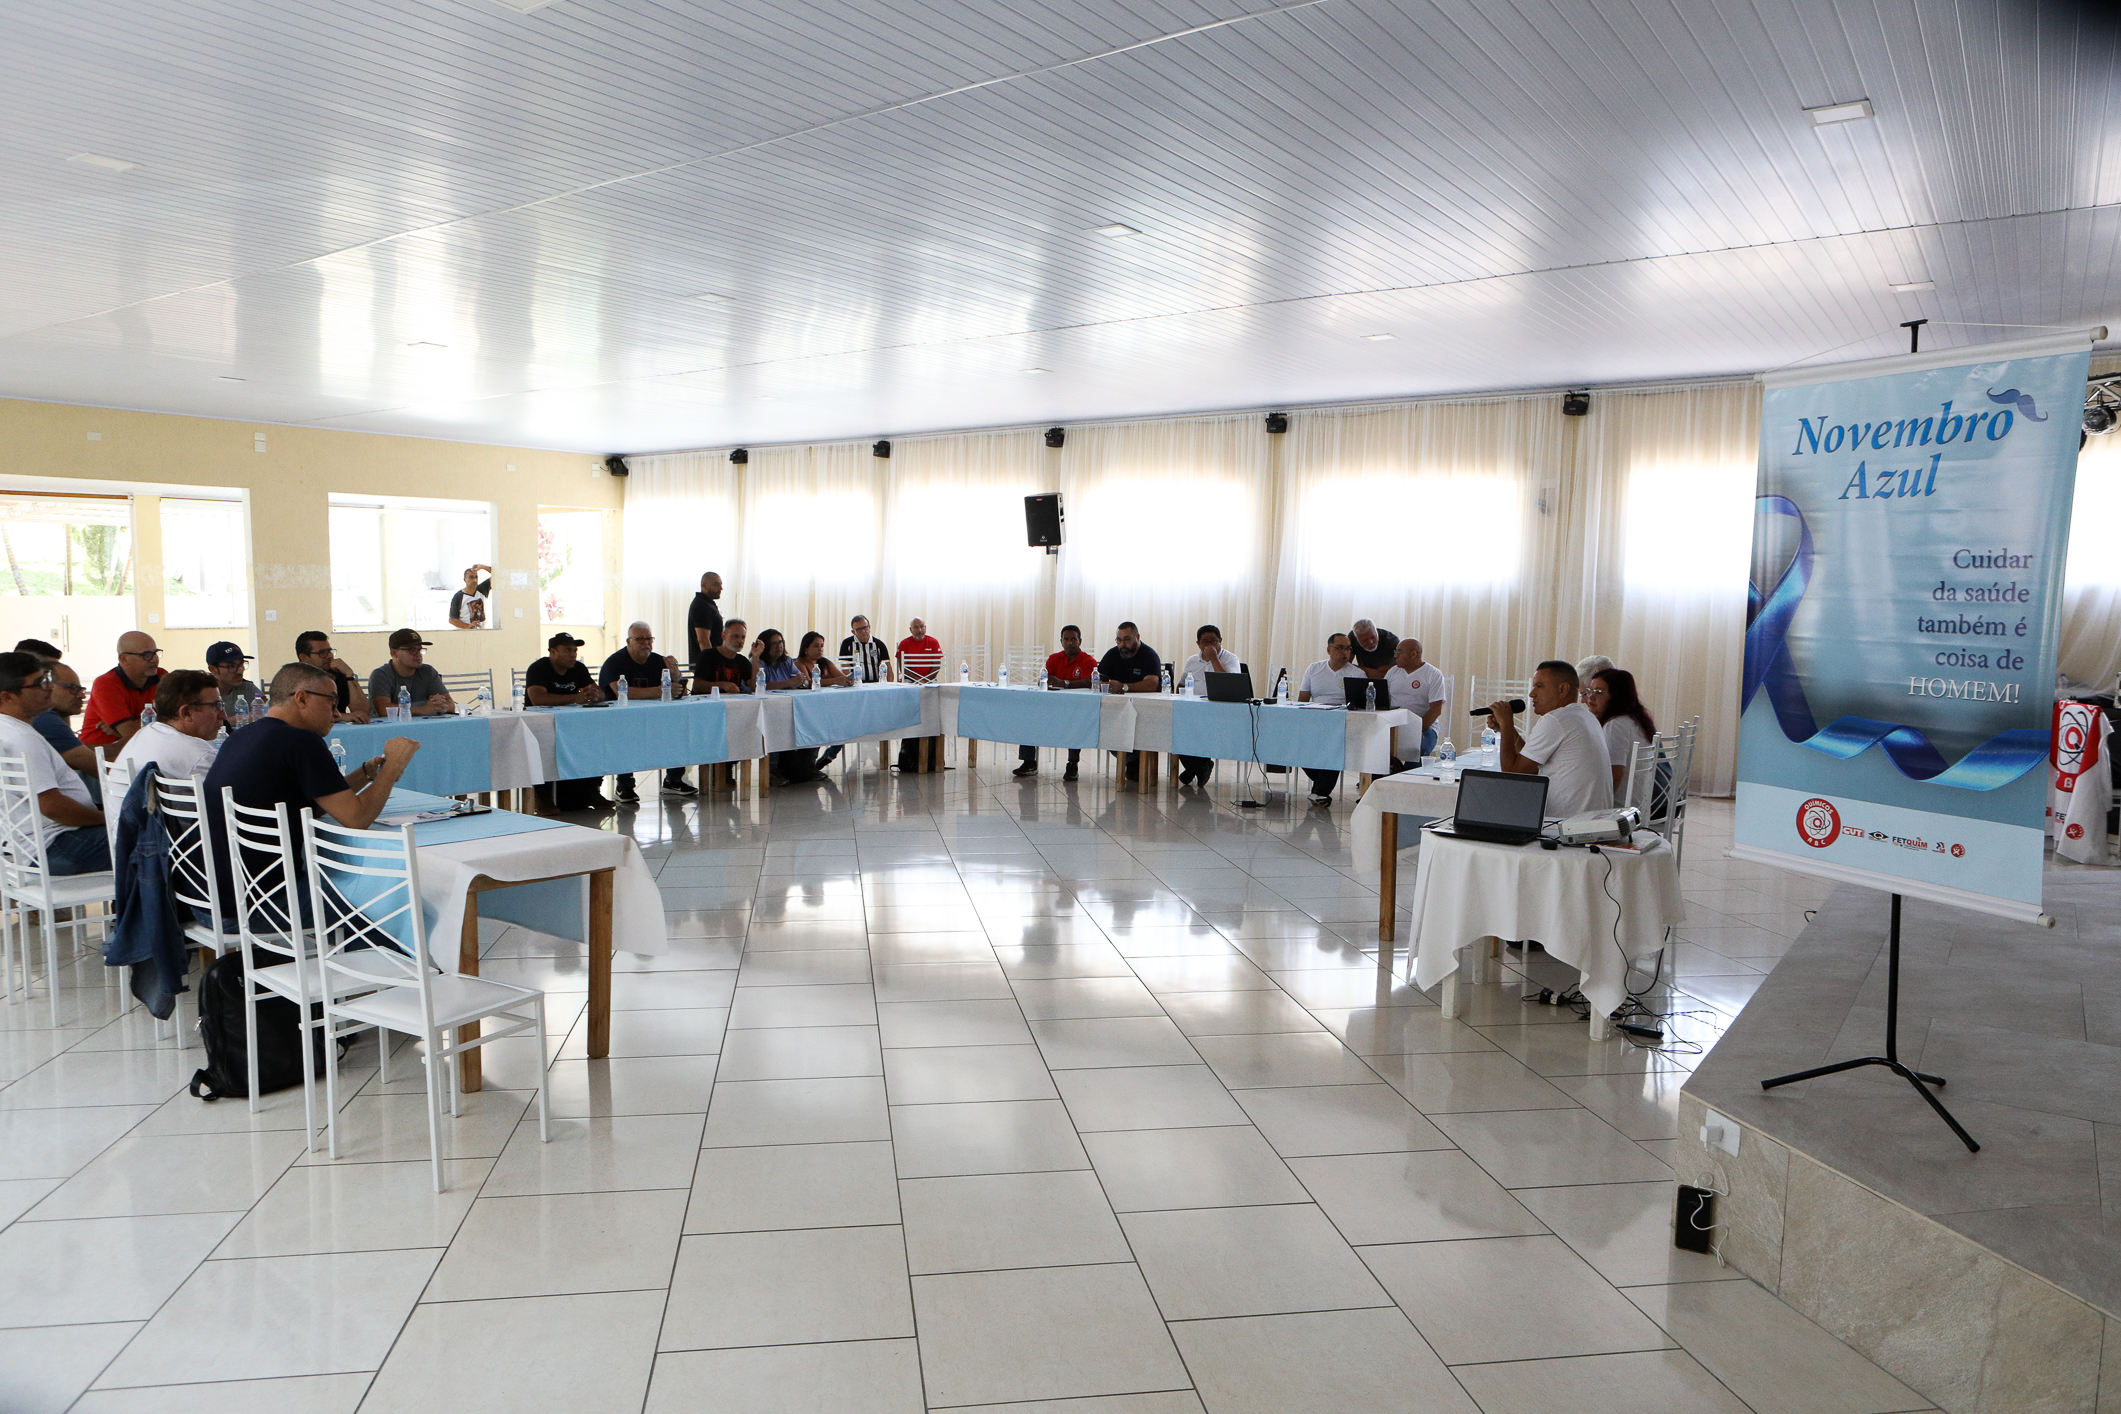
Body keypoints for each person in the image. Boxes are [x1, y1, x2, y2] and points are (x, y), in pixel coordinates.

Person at [203, 663, 420, 925]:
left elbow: (317, 804)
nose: (337, 713)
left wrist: (366, 773)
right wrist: (394, 765)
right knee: (391, 912)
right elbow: (357, 819)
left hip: (212, 898)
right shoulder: (300, 741)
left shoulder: (244, 735)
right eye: (331, 701)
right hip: (263, 903)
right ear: (301, 698)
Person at [0, 653, 108, 874]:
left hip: (24, 848)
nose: (49, 687)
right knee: (156, 836)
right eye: (39, 683)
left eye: (47, 678)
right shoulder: (23, 738)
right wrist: (107, 818)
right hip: (56, 845)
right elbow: (54, 808)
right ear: (7, 697)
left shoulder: (7, 730)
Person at [1488, 659, 1613, 818]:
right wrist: (1508, 730)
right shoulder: (1584, 716)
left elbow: (1513, 774)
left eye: (1539, 686)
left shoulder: (1555, 720)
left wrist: (1506, 723)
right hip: (1593, 822)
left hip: (1564, 826)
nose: (1532, 693)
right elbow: (1531, 767)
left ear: (1563, 689)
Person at [597, 622, 694, 803]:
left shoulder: (658, 661)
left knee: (680, 725)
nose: (646, 643)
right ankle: (624, 785)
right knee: (625, 735)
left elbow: (681, 693)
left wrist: (675, 676)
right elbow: (621, 692)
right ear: (628, 641)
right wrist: (659, 690)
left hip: (656, 717)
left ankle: (673, 780)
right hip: (620, 718)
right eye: (640, 639)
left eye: (649, 639)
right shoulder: (615, 662)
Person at [524, 634, 611, 810]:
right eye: (568, 650)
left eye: (575, 651)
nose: (573, 655)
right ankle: (543, 797)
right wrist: (576, 697)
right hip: (540, 725)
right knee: (545, 748)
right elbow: (538, 699)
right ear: (553, 651)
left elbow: (599, 692)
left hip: (573, 724)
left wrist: (596, 696)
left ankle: (592, 790)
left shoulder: (578, 668)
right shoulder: (538, 668)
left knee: (597, 740)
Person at [1013, 624, 1096, 781]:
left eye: (1073, 639)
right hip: (1051, 707)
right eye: (1066, 639)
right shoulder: (1053, 659)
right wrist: (1044, 682)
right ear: (1061, 641)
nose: (1070, 642)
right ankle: (1029, 762)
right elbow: (1044, 680)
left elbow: (1090, 682)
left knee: (1076, 721)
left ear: (1080, 641)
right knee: (1028, 715)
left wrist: (1065, 683)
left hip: (1075, 709)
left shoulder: (1088, 661)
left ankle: (1072, 764)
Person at [114, 669, 224, 781]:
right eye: (216, 706)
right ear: (186, 713)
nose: (223, 715)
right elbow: (233, 792)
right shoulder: (198, 755)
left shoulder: (146, 732)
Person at [779, 632, 854, 775]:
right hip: (810, 709)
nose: (820, 649)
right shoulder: (798, 663)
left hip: (831, 705)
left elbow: (841, 677)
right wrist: (835, 681)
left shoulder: (825, 662)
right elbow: (807, 683)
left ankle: (829, 755)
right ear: (806, 648)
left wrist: (851, 678)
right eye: (816, 646)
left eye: (822, 646)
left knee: (848, 723)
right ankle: (809, 765)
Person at [1297, 633, 1359, 803]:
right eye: (1340, 648)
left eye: (1348, 648)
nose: (1345, 652)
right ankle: (1320, 787)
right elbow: (1303, 698)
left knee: (1334, 747)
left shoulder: (1357, 673)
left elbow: (1360, 705)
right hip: (1315, 719)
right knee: (1296, 745)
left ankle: (1321, 791)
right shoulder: (1314, 669)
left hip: (1342, 722)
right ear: (1329, 650)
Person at [1175, 624, 1240, 785]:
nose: (1209, 645)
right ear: (1198, 644)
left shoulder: (1230, 659)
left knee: (1199, 729)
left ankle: (1194, 768)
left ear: (1221, 641)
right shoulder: (1192, 661)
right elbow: (1181, 685)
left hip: (1220, 710)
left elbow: (1231, 684)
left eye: (1214, 641)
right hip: (1193, 708)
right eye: (1205, 642)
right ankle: (1199, 766)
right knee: (1177, 729)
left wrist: (1214, 659)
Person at [81, 631, 163, 757]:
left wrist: (127, 727)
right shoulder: (105, 684)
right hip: (102, 759)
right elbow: (129, 732)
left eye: (155, 653)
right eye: (146, 655)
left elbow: (180, 722)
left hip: (142, 753)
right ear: (124, 659)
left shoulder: (162, 677)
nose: (155, 659)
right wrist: (160, 719)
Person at [1099, 622, 1163, 783]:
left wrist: (1124, 687)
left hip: (1146, 710)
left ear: (1137, 637)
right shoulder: (1112, 655)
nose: (1122, 645)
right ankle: (1132, 761)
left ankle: (1134, 760)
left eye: (1126, 640)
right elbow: (1098, 680)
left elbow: (1152, 684)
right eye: (1119, 640)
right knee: (1105, 727)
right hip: (1116, 709)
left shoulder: (1149, 655)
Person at [1587, 667, 1657, 796]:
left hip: (1621, 808)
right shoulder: (1635, 720)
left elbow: (1615, 775)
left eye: (1598, 692)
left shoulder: (1616, 725)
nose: (1590, 697)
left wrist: (1598, 806)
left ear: (1616, 696)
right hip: (1639, 804)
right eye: (1590, 691)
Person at [1383, 638, 1447, 765]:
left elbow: (1435, 710)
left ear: (1414, 654)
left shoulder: (1433, 674)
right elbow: (1383, 701)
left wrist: (1415, 729)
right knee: (1374, 748)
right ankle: (1376, 780)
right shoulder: (1392, 672)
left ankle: (1407, 780)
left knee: (1417, 752)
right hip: (1395, 725)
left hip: (1424, 728)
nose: (1395, 656)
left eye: (1399, 652)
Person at [367, 630, 455, 718]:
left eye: (420, 650)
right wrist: (423, 709)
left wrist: (440, 706)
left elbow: (450, 704)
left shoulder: (428, 671)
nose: (418, 655)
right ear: (394, 653)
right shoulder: (381, 675)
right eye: (412, 650)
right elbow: (384, 710)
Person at [895, 618, 944, 773]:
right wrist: (917, 679)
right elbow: (902, 666)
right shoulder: (904, 643)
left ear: (925, 627)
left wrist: (925, 680)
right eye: (916, 627)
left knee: (934, 705)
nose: (920, 630)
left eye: (922, 627)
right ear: (911, 629)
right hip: (911, 680)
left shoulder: (933, 642)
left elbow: (937, 665)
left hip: (929, 680)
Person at [294, 631, 370, 723]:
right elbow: (302, 714)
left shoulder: (337, 675)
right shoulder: (293, 679)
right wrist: (341, 716)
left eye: (329, 651)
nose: (329, 656)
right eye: (322, 653)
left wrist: (349, 675)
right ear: (304, 657)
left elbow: (363, 712)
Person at [692, 617, 754, 694]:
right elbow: (697, 686)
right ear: (724, 636)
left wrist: (756, 656)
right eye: (735, 636)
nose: (740, 641)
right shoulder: (708, 656)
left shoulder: (743, 661)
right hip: (707, 703)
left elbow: (755, 686)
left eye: (743, 637)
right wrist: (721, 685)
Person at [206, 642, 260, 715]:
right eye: (231, 666)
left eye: (241, 664)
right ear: (212, 669)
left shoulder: (247, 688)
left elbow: (269, 711)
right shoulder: (202, 695)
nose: (240, 670)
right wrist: (234, 721)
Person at [687, 571, 725, 668]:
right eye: (716, 584)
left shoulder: (708, 604)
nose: (721, 588)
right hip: (706, 665)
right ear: (703, 586)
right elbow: (703, 639)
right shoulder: (702, 606)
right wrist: (711, 664)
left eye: (721, 584)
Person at [840, 615, 892, 683]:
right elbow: (845, 667)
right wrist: (850, 683)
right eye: (859, 629)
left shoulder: (879, 644)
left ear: (869, 627)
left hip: (877, 683)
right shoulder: (847, 644)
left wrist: (888, 685)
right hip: (856, 684)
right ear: (853, 632)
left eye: (865, 627)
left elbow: (888, 667)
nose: (863, 631)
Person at [448, 564, 493, 630]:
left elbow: (497, 574)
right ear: (465, 579)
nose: (474, 580)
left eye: (476, 577)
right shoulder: (458, 597)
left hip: (481, 633)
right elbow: (452, 619)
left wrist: (483, 567)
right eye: (471, 577)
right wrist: (468, 626)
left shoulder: (482, 590)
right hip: (464, 634)